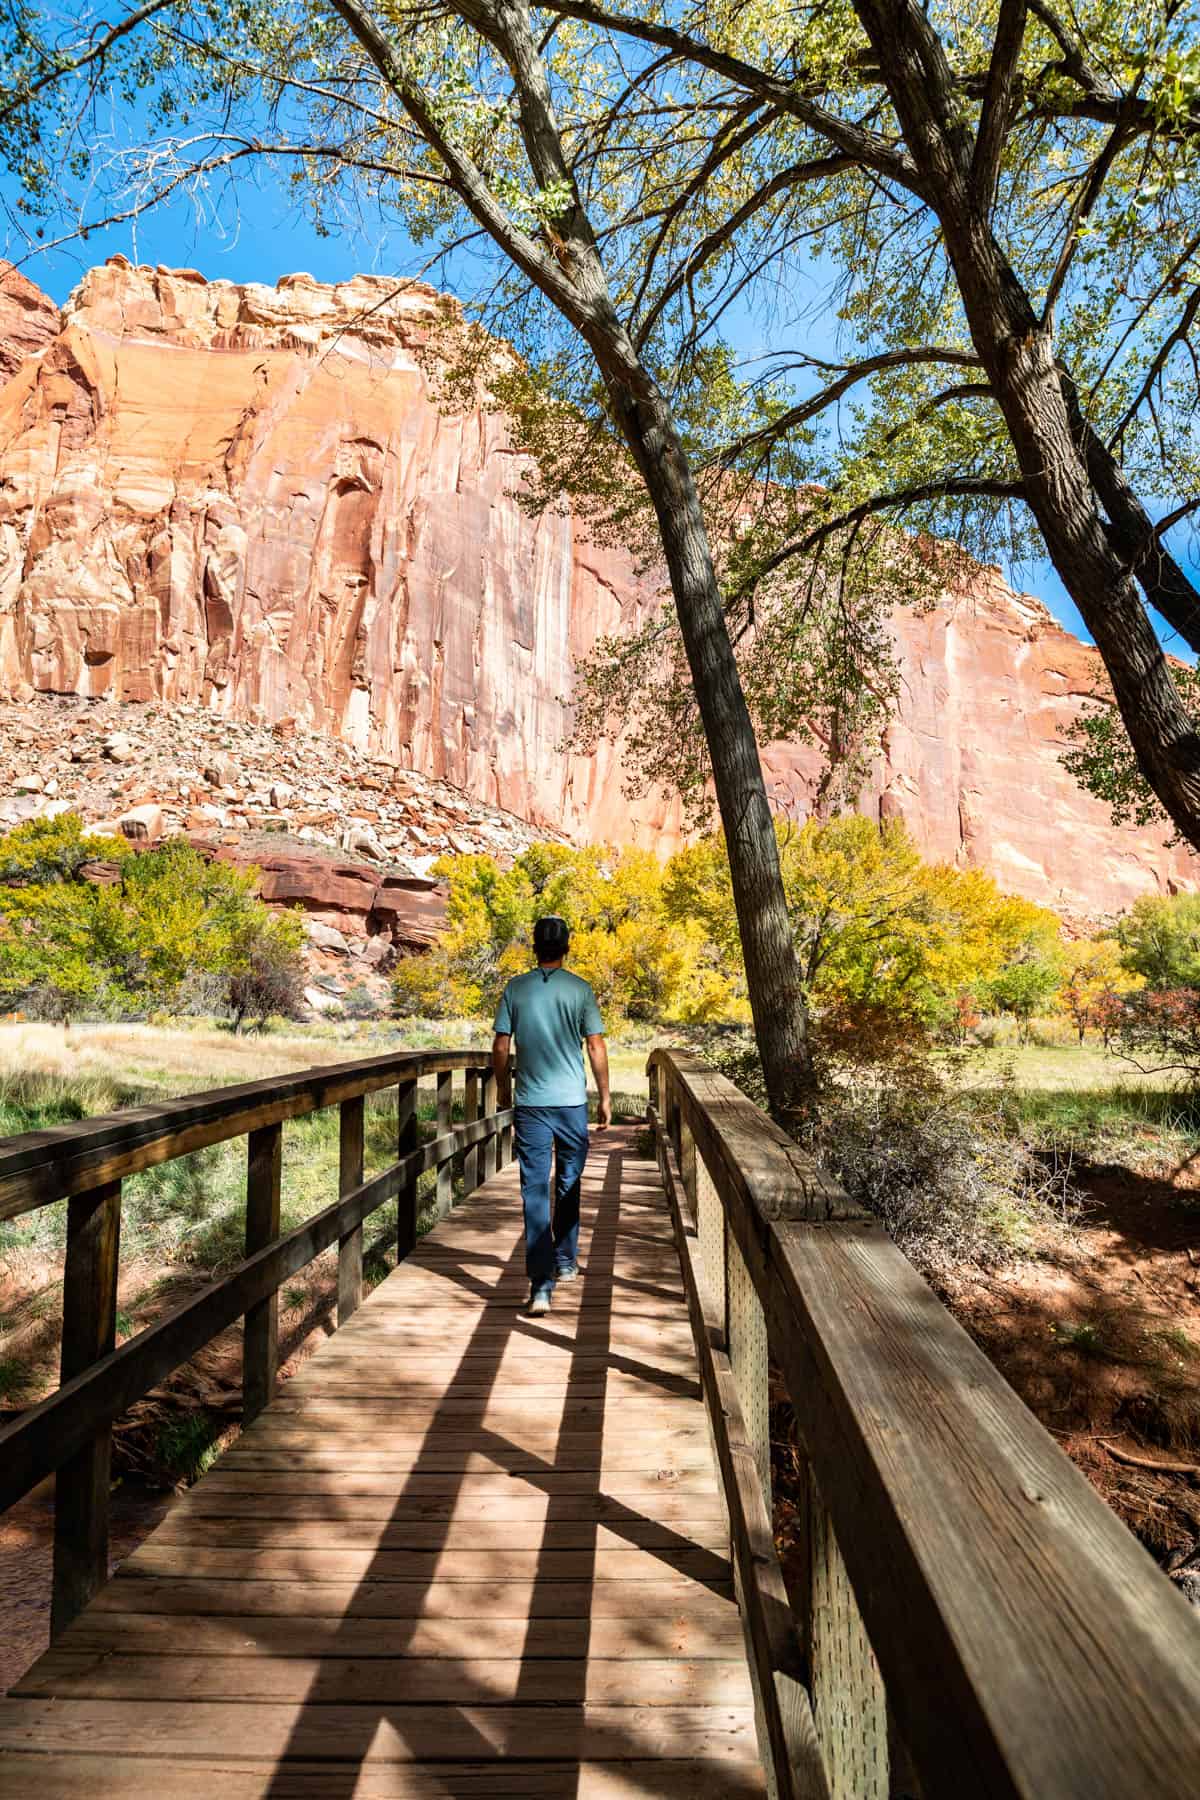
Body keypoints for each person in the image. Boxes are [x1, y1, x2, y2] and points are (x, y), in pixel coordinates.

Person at [492, 914, 611, 1316]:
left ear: (534, 947)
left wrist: (503, 1087)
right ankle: (564, 1260)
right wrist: (605, 1097)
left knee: (533, 1189)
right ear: (566, 947)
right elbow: (595, 1045)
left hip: (530, 1105)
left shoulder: (515, 988)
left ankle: (541, 1286)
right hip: (571, 1104)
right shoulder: (580, 990)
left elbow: (501, 1045)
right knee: (569, 1180)